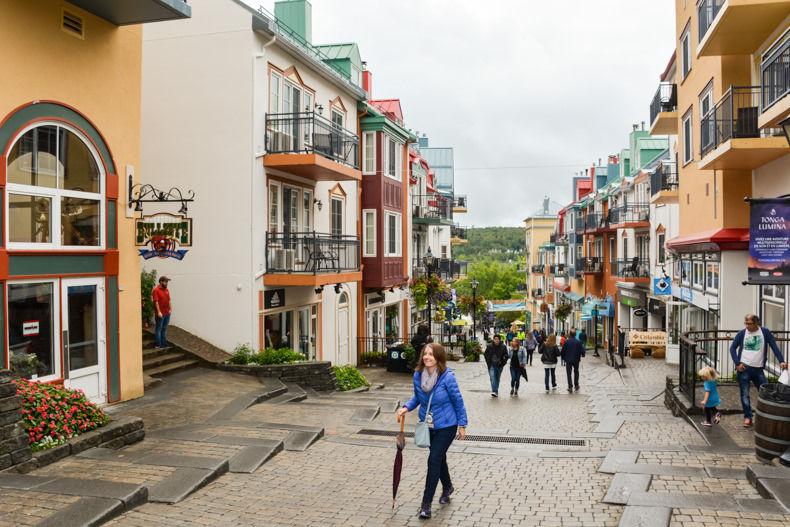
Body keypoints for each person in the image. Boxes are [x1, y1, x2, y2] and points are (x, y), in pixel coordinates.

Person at [398, 343, 467, 519]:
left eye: (431, 354)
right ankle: (448, 487)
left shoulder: (447, 377)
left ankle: (426, 504)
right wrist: (406, 407)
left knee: (434, 459)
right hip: (428, 425)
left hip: (447, 425)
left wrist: (462, 425)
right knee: (439, 459)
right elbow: (418, 397)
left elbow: (458, 400)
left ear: (438, 357)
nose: (427, 357)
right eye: (425, 354)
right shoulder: (418, 375)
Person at [728, 314, 787, 427]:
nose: (747, 326)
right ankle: (748, 417)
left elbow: (774, 346)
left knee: (766, 392)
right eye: (746, 323)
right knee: (744, 394)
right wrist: (737, 363)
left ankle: (768, 415)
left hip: (758, 369)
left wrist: (781, 361)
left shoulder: (764, 332)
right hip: (744, 368)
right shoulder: (742, 333)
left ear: (756, 323)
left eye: (750, 324)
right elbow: (732, 348)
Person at [561, 327, 585, 392]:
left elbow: (563, 351)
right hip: (576, 359)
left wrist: (563, 358)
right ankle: (576, 385)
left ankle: (570, 386)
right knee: (576, 371)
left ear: (569, 334)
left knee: (569, 373)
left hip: (568, 359)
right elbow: (582, 350)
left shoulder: (566, 341)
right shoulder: (578, 342)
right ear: (575, 334)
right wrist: (583, 354)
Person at [152, 276, 172, 349]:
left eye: (167, 282)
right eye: (165, 282)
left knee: (164, 328)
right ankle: (159, 344)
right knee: (159, 328)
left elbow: (169, 300)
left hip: (167, 313)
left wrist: (170, 309)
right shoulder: (156, 290)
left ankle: (164, 343)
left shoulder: (166, 290)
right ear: (161, 282)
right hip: (160, 314)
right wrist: (159, 312)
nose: (167, 283)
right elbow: (156, 302)